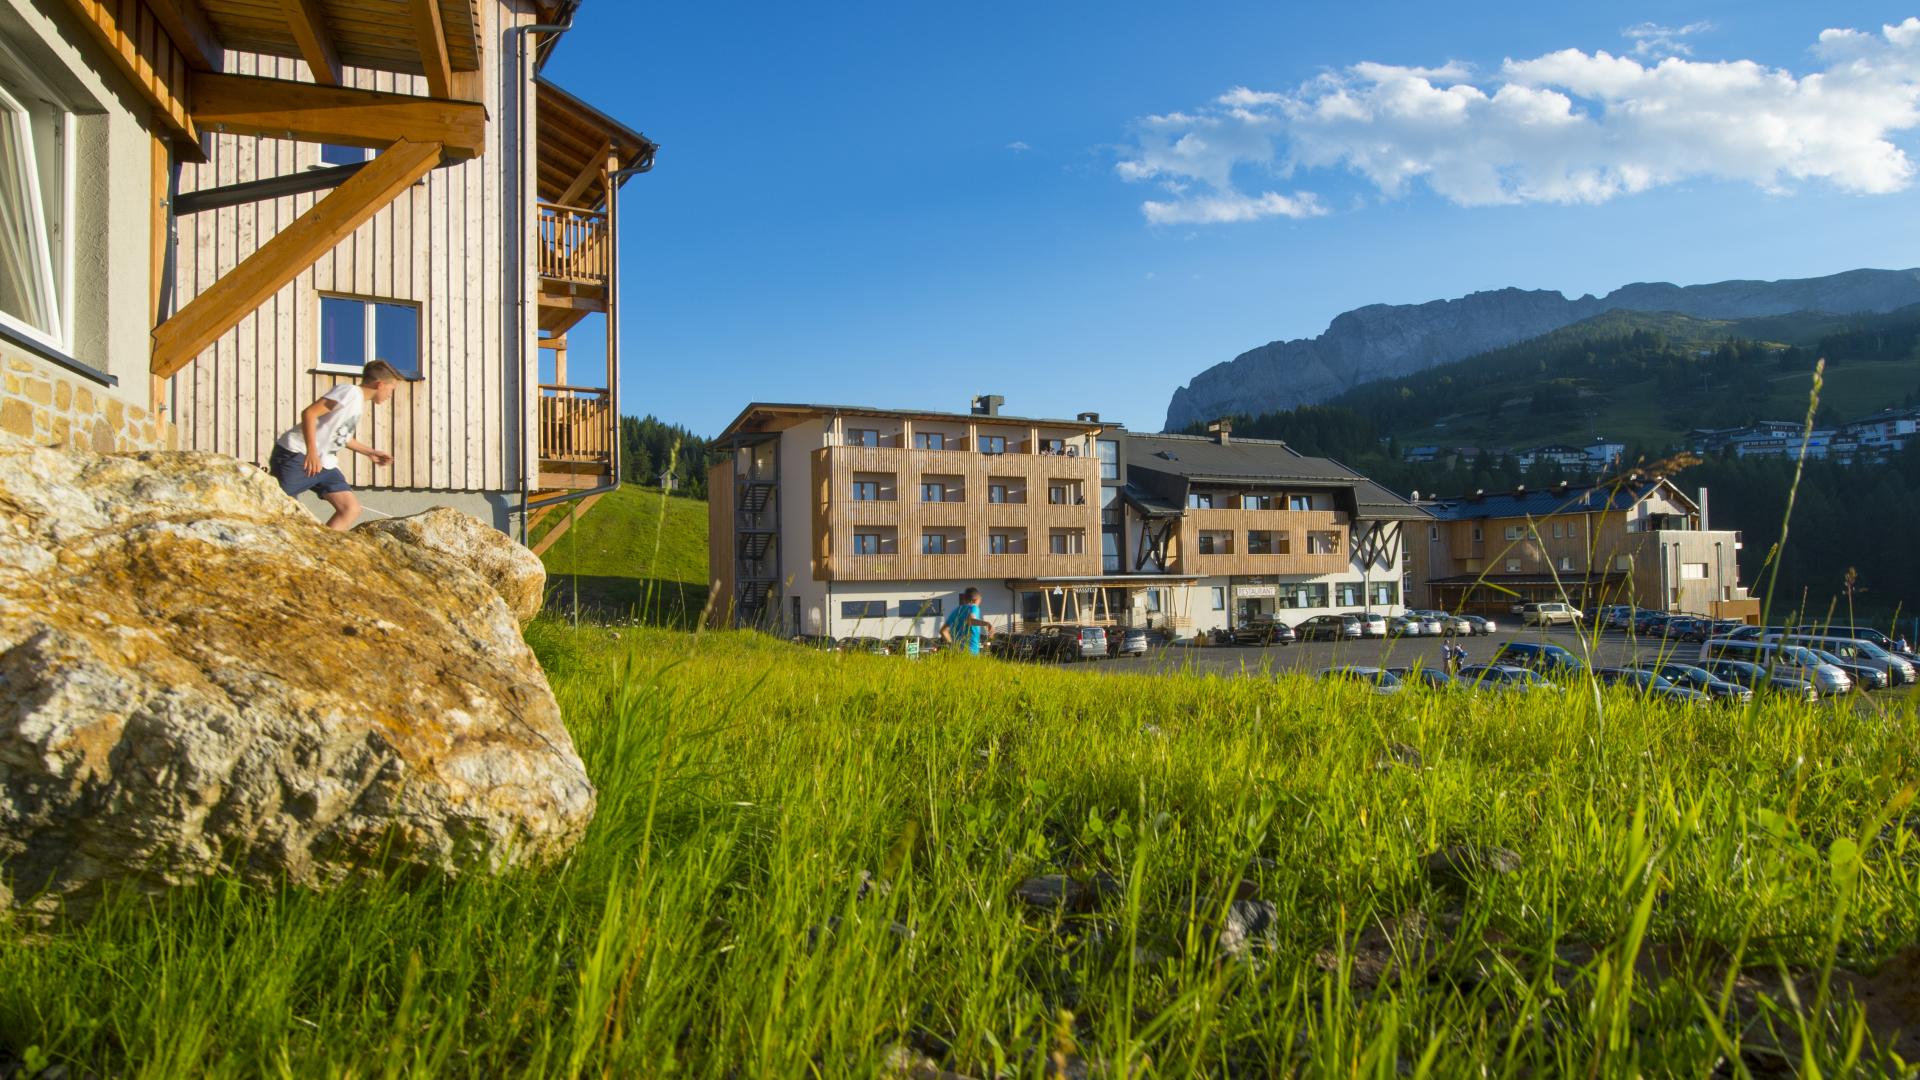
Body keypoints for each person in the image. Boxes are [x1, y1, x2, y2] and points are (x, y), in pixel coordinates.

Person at [269, 360, 402, 530]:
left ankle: (319, 550)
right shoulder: (349, 392)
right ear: (380, 384)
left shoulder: (357, 403)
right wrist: (312, 452)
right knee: (278, 512)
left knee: (350, 509)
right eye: (392, 389)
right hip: (297, 456)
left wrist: (371, 452)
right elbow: (309, 413)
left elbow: (342, 437)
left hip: (325, 464)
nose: (390, 395)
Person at [941, 587, 995, 655]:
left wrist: (952, 645)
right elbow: (971, 621)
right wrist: (987, 624)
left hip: (956, 653)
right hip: (971, 652)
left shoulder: (956, 610)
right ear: (977, 599)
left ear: (964, 599)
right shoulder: (973, 607)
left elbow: (943, 631)